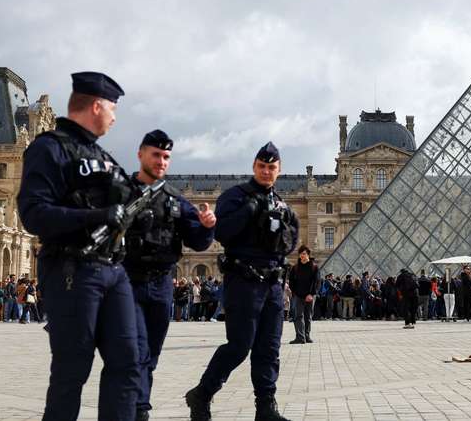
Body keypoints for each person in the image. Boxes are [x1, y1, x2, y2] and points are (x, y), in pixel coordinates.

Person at [16, 71, 141, 420]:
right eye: (113, 109)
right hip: (72, 267)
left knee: (128, 362)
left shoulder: (103, 156)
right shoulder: (49, 148)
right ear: (97, 106)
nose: (115, 118)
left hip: (113, 270)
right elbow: (33, 214)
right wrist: (96, 216)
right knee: (72, 369)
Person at [186, 142, 298, 421]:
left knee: (269, 349)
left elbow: (291, 241)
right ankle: (202, 393)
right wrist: (250, 210)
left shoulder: (282, 205)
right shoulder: (234, 196)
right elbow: (221, 232)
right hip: (243, 281)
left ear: (279, 170)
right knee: (239, 346)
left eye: (272, 167)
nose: (267, 171)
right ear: (254, 167)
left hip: (272, 284)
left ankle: (266, 409)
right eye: (262, 166)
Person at [124, 129, 216, 420]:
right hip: (127, 281)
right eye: (156, 154)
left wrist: (207, 225)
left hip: (162, 283)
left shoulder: (176, 200)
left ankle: (138, 406)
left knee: (150, 353)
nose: (161, 161)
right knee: (134, 351)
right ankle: (139, 410)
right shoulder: (120, 192)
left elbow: (199, 243)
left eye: (166, 157)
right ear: (140, 154)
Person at [288, 245, 319, 344]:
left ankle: (306, 335)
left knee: (308, 316)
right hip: (298, 296)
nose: (302, 256)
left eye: (304, 254)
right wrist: (295, 292)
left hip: (310, 296)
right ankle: (300, 337)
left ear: (308, 255)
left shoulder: (314, 267)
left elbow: (317, 282)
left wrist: (311, 294)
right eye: (300, 254)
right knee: (298, 316)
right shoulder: (295, 267)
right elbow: (291, 281)